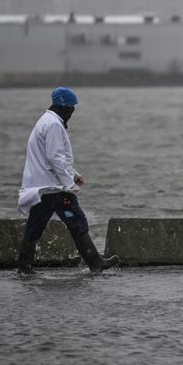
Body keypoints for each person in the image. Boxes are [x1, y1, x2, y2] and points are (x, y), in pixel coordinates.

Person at [16, 87, 119, 274]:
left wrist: (73, 174)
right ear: (63, 107)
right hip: (55, 188)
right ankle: (95, 263)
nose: (72, 112)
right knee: (77, 221)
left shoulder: (45, 121)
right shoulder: (54, 125)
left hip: (41, 189)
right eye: (71, 108)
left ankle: (24, 268)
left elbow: (55, 158)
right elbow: (55, 158)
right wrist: (68, 184)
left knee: (34, 228)